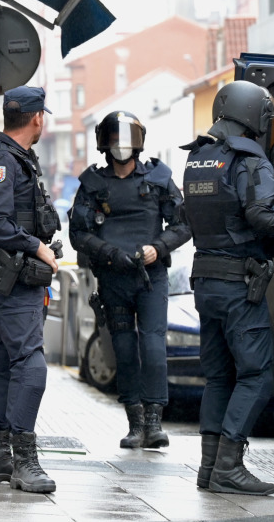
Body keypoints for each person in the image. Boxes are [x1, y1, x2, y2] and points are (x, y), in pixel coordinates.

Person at [180, 80, 274, 496]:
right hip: (239, 284)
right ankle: (229, 467)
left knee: (219, 377)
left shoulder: (199, 158)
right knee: (256, 375)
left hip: (205, 281)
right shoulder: (249, 158)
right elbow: (261, 215)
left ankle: (209, 469)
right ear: (251, 113)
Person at [68, 111, 191, 450]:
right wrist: (108, 253)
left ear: (138, 144)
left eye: (126, 141)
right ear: (104, 145)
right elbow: (79, 232)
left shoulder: (158, 177)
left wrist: (158, 247)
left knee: (153, 347)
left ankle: (154, 422)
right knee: (123, 350)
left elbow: (183, 225)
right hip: (113, 278)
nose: (121, 147)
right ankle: (134, 423)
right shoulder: (93, 183)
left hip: (150, 276)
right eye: (114, 140)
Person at [0, 85, 61, 494]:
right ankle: (24, 460)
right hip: (11, 279)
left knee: (7, 362)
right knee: (31, 365)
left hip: (18, 277)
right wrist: (37, 246)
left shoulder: (18, 158)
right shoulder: (1, 160)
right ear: (37, 118)